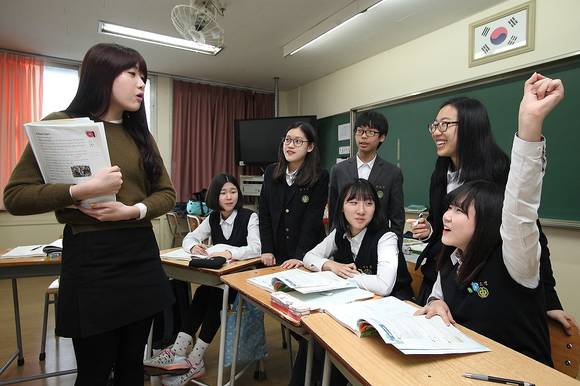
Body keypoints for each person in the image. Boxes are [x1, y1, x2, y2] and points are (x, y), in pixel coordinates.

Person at [3, 43, 175, 385]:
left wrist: (132, 210)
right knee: (95, 370)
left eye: (143, 76)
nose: (142, 83)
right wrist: (81, 190)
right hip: (91, 259)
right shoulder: (61, 125)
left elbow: (167, 194)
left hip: (139, 254)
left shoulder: (139, 134)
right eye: (132, 74)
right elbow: (15, 197)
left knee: (131, 366)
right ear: (103, 75)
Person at [415, 73, 565, 366]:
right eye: (434, 124)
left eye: (445, 124)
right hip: (451, 280)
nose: (436, 131)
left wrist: (547, 298)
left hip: (497, 279)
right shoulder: (440, 171)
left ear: (470, 127)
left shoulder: (496, 170)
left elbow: (524, 222)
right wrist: (433, 228)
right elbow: (441, 223)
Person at [145, 173, 260, 386]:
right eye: (223, 192)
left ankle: (195, 358)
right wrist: (194, 246)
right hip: (217, 277)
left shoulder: (249, 217)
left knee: (216, 297)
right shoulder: (213, 217)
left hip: (239, 279)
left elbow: (256, 249)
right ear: (215, 196)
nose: (229, 197)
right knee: (203, 292)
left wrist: (228, 252)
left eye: (233, 192)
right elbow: (190, 237)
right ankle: (180, 351)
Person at [303, 178, 413, 299]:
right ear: (341, 207)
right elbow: (309, 257)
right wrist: (331, 265)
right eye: (353, 202)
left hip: (395, 304)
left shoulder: (387, 238)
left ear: (375, 208)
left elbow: (384, 286)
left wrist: (344, 275)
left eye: (369, 203)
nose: (361, 211)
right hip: (359, 300)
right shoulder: (339, 233)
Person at [259, 121, 328, 268]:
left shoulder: (320, 176)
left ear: (310, 147)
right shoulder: (271, 172)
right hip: (276, 253)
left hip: (307, 253)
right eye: (288, 140)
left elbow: (313, 220)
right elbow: (264, 214)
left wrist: (300, 256)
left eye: (297, 141)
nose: (290, 145)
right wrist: (267, 249)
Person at [328, 110, 404, 238]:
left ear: (382, 137)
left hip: (377, 243)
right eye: (360, 131)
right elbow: (334, 213)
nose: (363, 136)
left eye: (370, 132)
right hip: (344, 240)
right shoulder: (338, 170)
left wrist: (393, 247)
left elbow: (397, 219)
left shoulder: (392, 173)